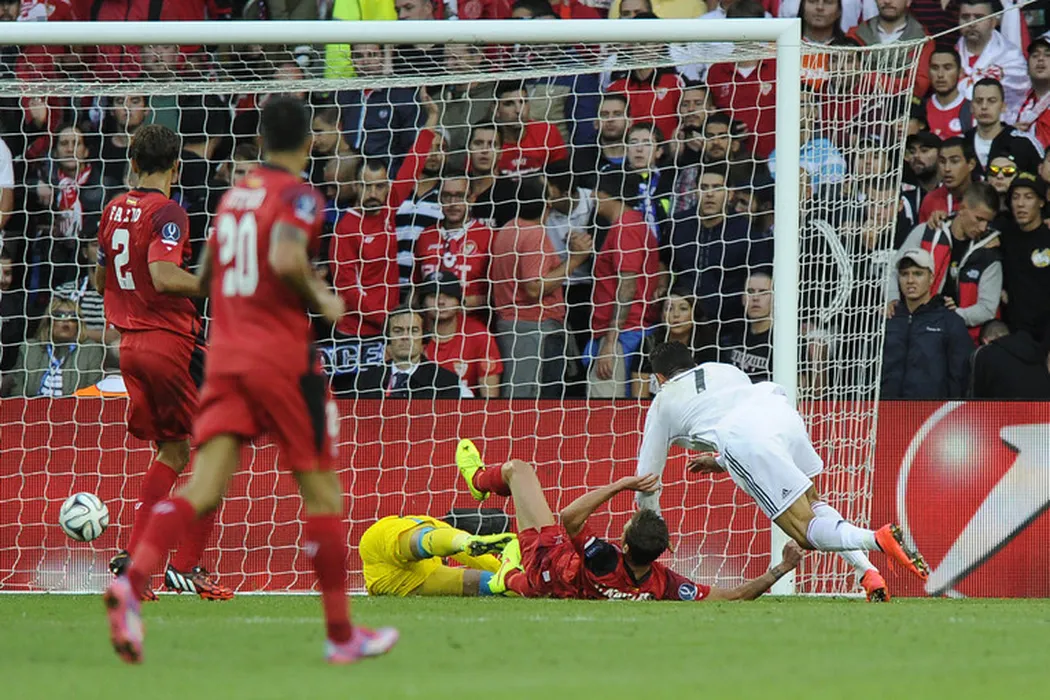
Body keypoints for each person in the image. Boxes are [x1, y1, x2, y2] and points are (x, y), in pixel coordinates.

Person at [103, 97, 399, 666]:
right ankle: (341, 635)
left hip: (227, 358)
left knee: (202, 485)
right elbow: (287, 260)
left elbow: (209, 270)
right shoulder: (299, 196)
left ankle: (132, 583)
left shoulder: (235, 196)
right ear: (308, 144)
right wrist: (323, 298)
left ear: (261, 141)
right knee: (323, 494)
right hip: (281, 358)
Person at [632, 343, 929, 601]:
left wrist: (653, 526)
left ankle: (877, 539)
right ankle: (868, 572)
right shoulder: (722, 369)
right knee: (812, 502)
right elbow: (740, 412)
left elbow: (647, 480)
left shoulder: (663, 402)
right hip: (780, 412)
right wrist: (721, 462)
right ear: (692, 362)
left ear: (660, 378)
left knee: (804, 532)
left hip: (746, 439)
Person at [94, 124, 232, 602]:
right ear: (177, 165)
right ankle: (187, 566)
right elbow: (164, 276)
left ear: (133, 162)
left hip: (129, 347)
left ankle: (134, 562)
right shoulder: (168, 211)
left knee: (173, 451)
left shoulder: (113, 208)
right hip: (171, 343)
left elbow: (100, 280)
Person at [455, 438, 806, 602]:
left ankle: (479, 485)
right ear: (662, 551)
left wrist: (621, 484)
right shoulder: (663, 585)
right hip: (552, 585)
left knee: (518, 470)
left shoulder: (602, 558)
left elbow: (569, 518)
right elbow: (733, 596)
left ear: (622, 545)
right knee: (494, 581)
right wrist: (781, 569)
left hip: (545, 560)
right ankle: (507, 574)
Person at [489, 176, 590, 398]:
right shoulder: (534, 234)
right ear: (548, 204)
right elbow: (534, 287)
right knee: (534, 401)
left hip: (512, 327)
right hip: (535, 331)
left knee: (518, 395)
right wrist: (575, 260)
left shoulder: (509, 227)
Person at [587, 173, 662, 399]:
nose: (592, 196)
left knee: (606, 408)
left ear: (607, 194)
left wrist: (610, 343)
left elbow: (627, 285)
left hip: (623, 334)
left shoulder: (626, 227)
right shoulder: (635, 223)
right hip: (630, 329)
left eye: (596, 191)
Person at [895, 182, 1002, 340]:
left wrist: (953, 315)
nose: (982, 227)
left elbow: (987, 308)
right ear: (962, 208)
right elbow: (894, 269)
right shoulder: (927, 231)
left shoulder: (990, 252)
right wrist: (892, 299)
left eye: (988, 222)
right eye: (979, 219)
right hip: (917, 330)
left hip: (962, 338)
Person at [881, 249, 973, 399]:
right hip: (886, 409)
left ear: (931, 278)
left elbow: (960, 377)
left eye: (918, 274)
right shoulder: (887, 318)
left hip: (933, 411)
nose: (910, 280)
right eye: (904, 274)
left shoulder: (950, 321)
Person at [359, 514, 523, 597]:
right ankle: (515, 581)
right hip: (394, 572)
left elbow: (471, 553)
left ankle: (512, 582)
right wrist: (500, 567)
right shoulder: (433, 566)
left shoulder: (433, 527)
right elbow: (474, 557)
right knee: (476, 581)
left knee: (430, 541)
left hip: (388, 559)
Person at [412, 170, 494, 311]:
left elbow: (497, 293)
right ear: (439, 198)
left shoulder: (488, 236)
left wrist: (460, 303)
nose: (452, 203)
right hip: (431, 320)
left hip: (470, 321)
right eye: (447, 196)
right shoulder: (426, 235)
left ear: (472, 198)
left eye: (460, 196)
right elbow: (416, 288)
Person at [347, 304, 464, 399]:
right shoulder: (364, 381)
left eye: (413, 330)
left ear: (424, 337)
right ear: (387, 338)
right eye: (398, 331)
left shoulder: (445, 382)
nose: (405, 337)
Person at [417, 271, 503, 398]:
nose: (440, 302)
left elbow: (490, 398)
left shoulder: (479, 336)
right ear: (423, 303)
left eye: (448, 296)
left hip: (464, 408)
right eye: (433, 296)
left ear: (459, 301)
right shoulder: (413, 333)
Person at [8, 297, 104, 397]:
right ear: (48, 321)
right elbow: (17, 392)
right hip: (33, 406)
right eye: (59, 316)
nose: (66, 322)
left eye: (72, 317)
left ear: (78, 324)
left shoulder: (91, 351)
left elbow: (91, 395)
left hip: (74, 406)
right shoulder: (29, 348)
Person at [633, 288, 717, 399]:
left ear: (694, 314)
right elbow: (640, 398)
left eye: (683, 308)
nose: (675, 315)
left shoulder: (708, 345)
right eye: (669, 308)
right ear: (662, 315)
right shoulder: (649, 345)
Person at [955, 0, 1030, 117]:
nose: (971, 23)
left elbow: (1021, 100)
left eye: (979, 17)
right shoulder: (950, 58)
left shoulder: (1011, 57)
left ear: (993, 22)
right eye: (965, 17)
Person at [1000, 172, 1050, 339]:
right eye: (1015, 197)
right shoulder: (1002, 237)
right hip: (1013, 333)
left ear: (1041, 202)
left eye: (1028, 197)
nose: (1020, 204)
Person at [963, 78, 1041, 174]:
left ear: (1003, 106)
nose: (984, 106)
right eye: (979, 101)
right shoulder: (963, 142)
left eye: (991, 101)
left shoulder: (1023, 143)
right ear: (971, 107)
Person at [970, 324, 1050, 398]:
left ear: (985, 341)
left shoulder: (985, 353)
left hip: (1007, 407)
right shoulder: (1036, 349)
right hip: (1043, 405)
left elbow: (975, 395)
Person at [917, 136, 976, 223]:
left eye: (954, 161)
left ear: (971, 164)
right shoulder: (931, 200)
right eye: (942, 162)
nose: (947, 168)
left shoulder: (984, 197)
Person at [924, 49, 972, 140]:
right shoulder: (920, 109)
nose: (940, 75)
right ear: (928, 72)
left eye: (947, 68)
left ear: (960, 72)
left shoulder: (972, 110)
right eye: (935, 68)